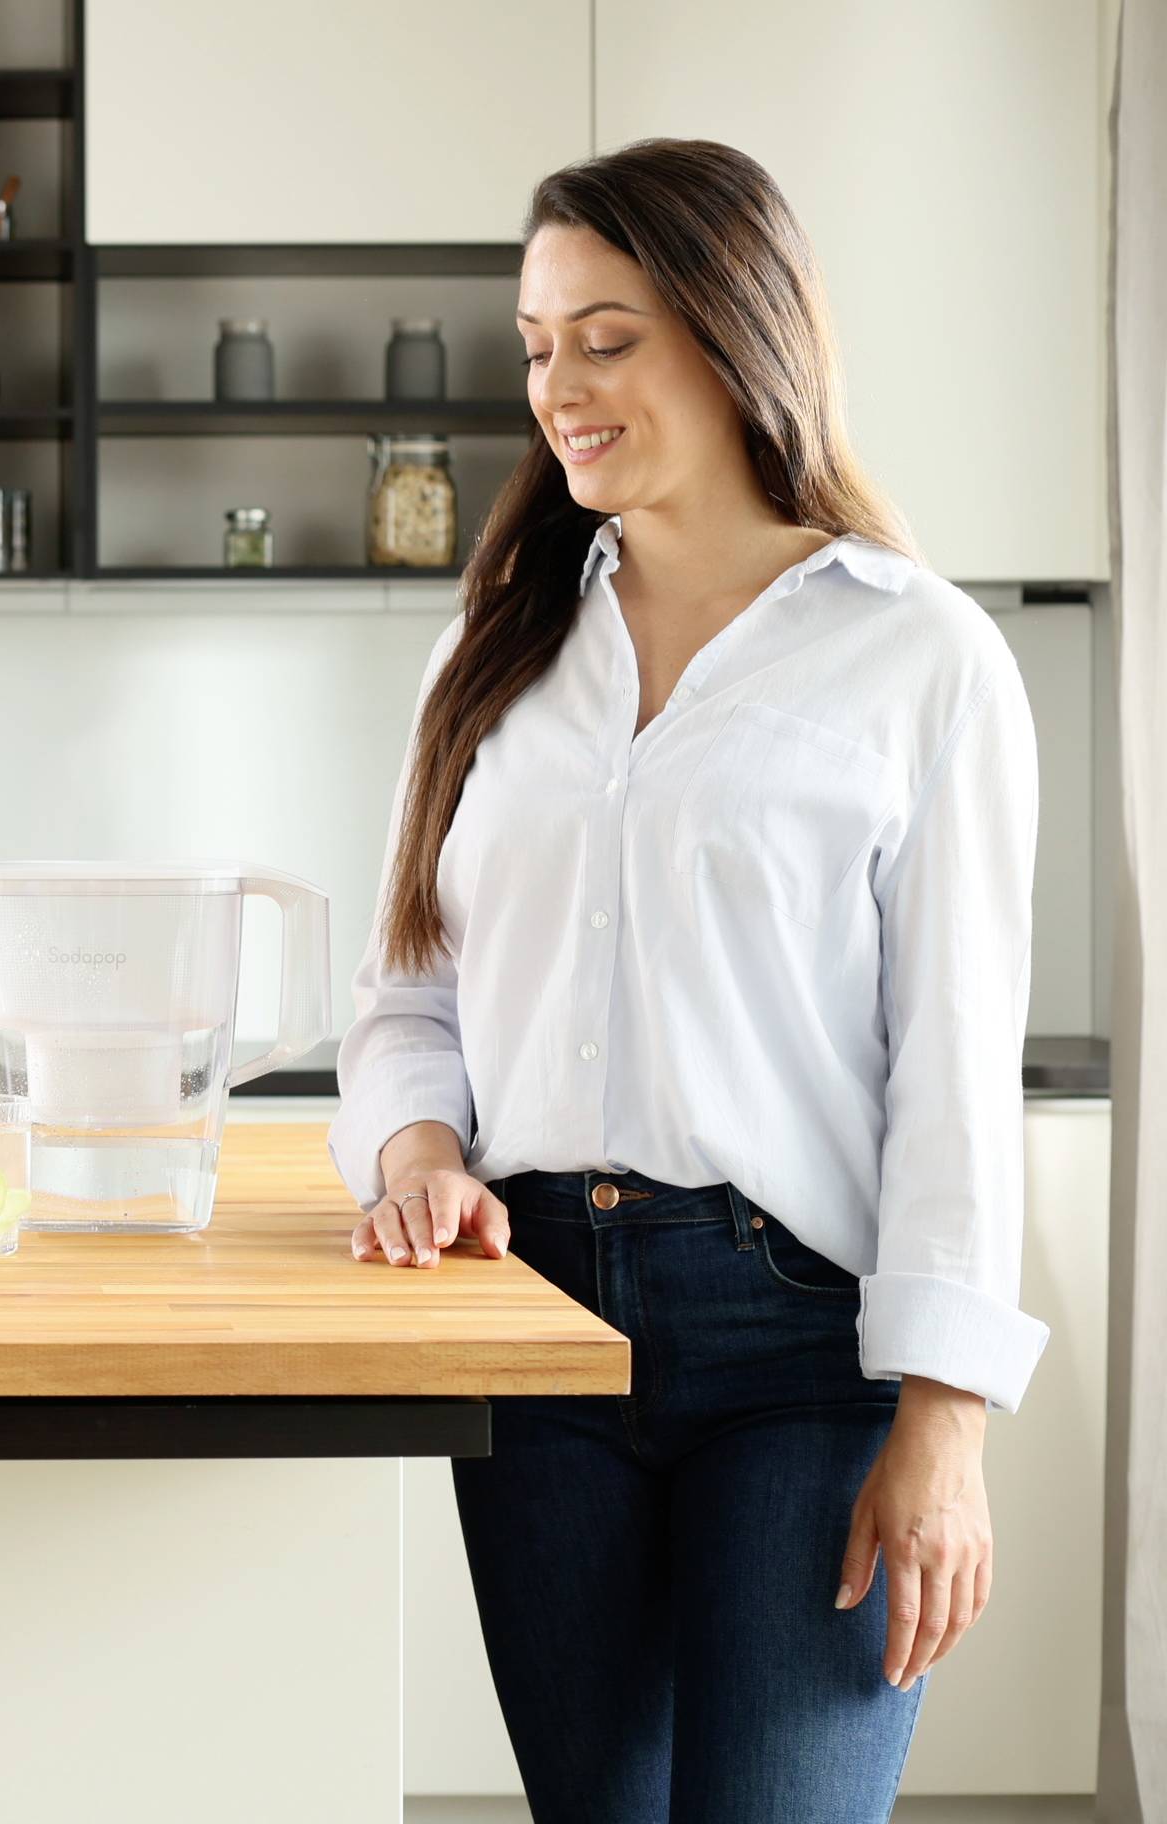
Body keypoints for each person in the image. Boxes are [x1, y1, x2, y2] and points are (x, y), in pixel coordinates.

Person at [326, 138, 1050, 1822]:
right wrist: (416, 1152)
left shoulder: (919, 655)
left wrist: (945, 1428)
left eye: (606, 336)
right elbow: (406, 998)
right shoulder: (491, 649)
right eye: (533, 344)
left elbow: (951, 1068)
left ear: (734, 330)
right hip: (535, 1328)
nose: (557, 387)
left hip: (803, 1346)